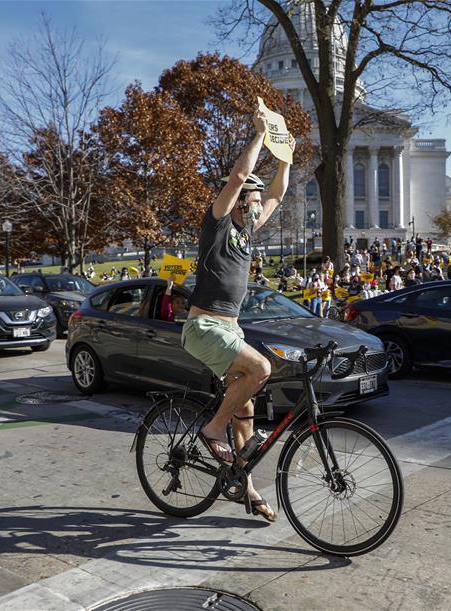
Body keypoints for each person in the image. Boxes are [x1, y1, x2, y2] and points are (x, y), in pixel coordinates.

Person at [181, 109, 294, 522]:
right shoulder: (217, 225)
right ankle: (212, 429)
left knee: (246, 416)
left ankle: (244, 487)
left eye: (257, 199)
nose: (259, 203)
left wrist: (285, 161)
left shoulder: (247, 233)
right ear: (240, 198)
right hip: (204, 326)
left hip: (229, 327)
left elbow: (279, 196)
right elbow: (234, 179)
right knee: (260, 368)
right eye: (253, 197)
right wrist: (260, 137)